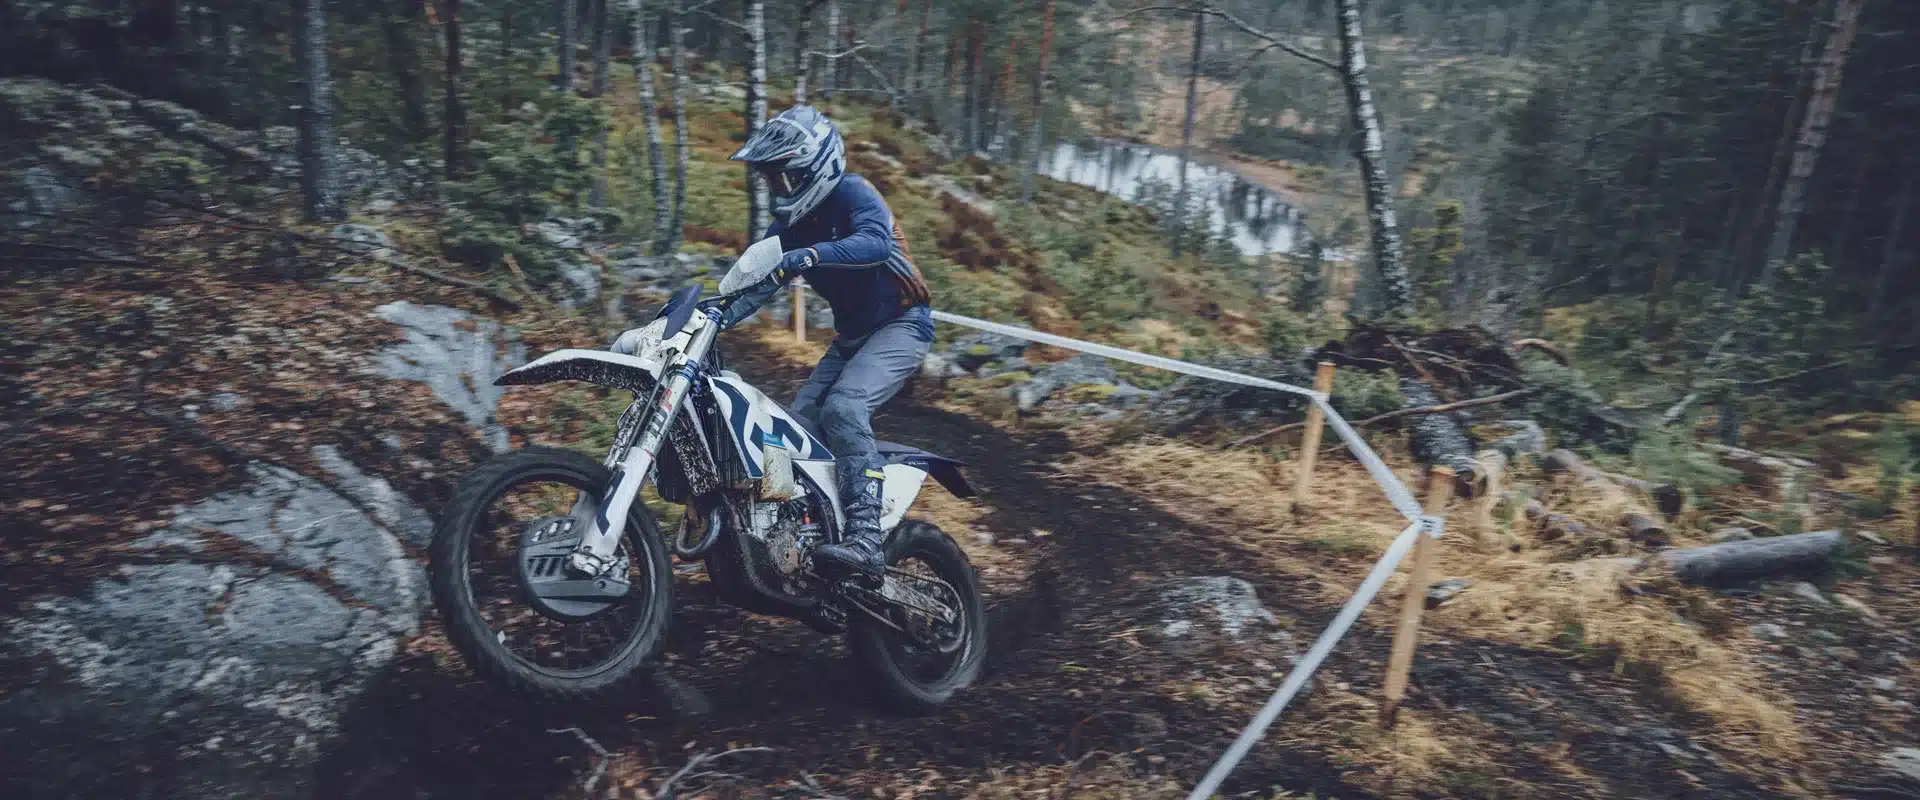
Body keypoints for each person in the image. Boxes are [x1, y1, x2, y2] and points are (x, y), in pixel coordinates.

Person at [631, 106, 932, 585]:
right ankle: (806, 540)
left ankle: (866, 541)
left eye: (785, 177)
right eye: (772, 179)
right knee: (796, 432)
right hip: (851, 338)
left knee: (844, 408)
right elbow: (756, 286)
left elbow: (875, 243)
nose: (778, 188)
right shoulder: (790, 229)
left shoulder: (853, 192)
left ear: (816, 168)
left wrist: (808, 255)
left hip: (902, 325)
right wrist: (710, 316)